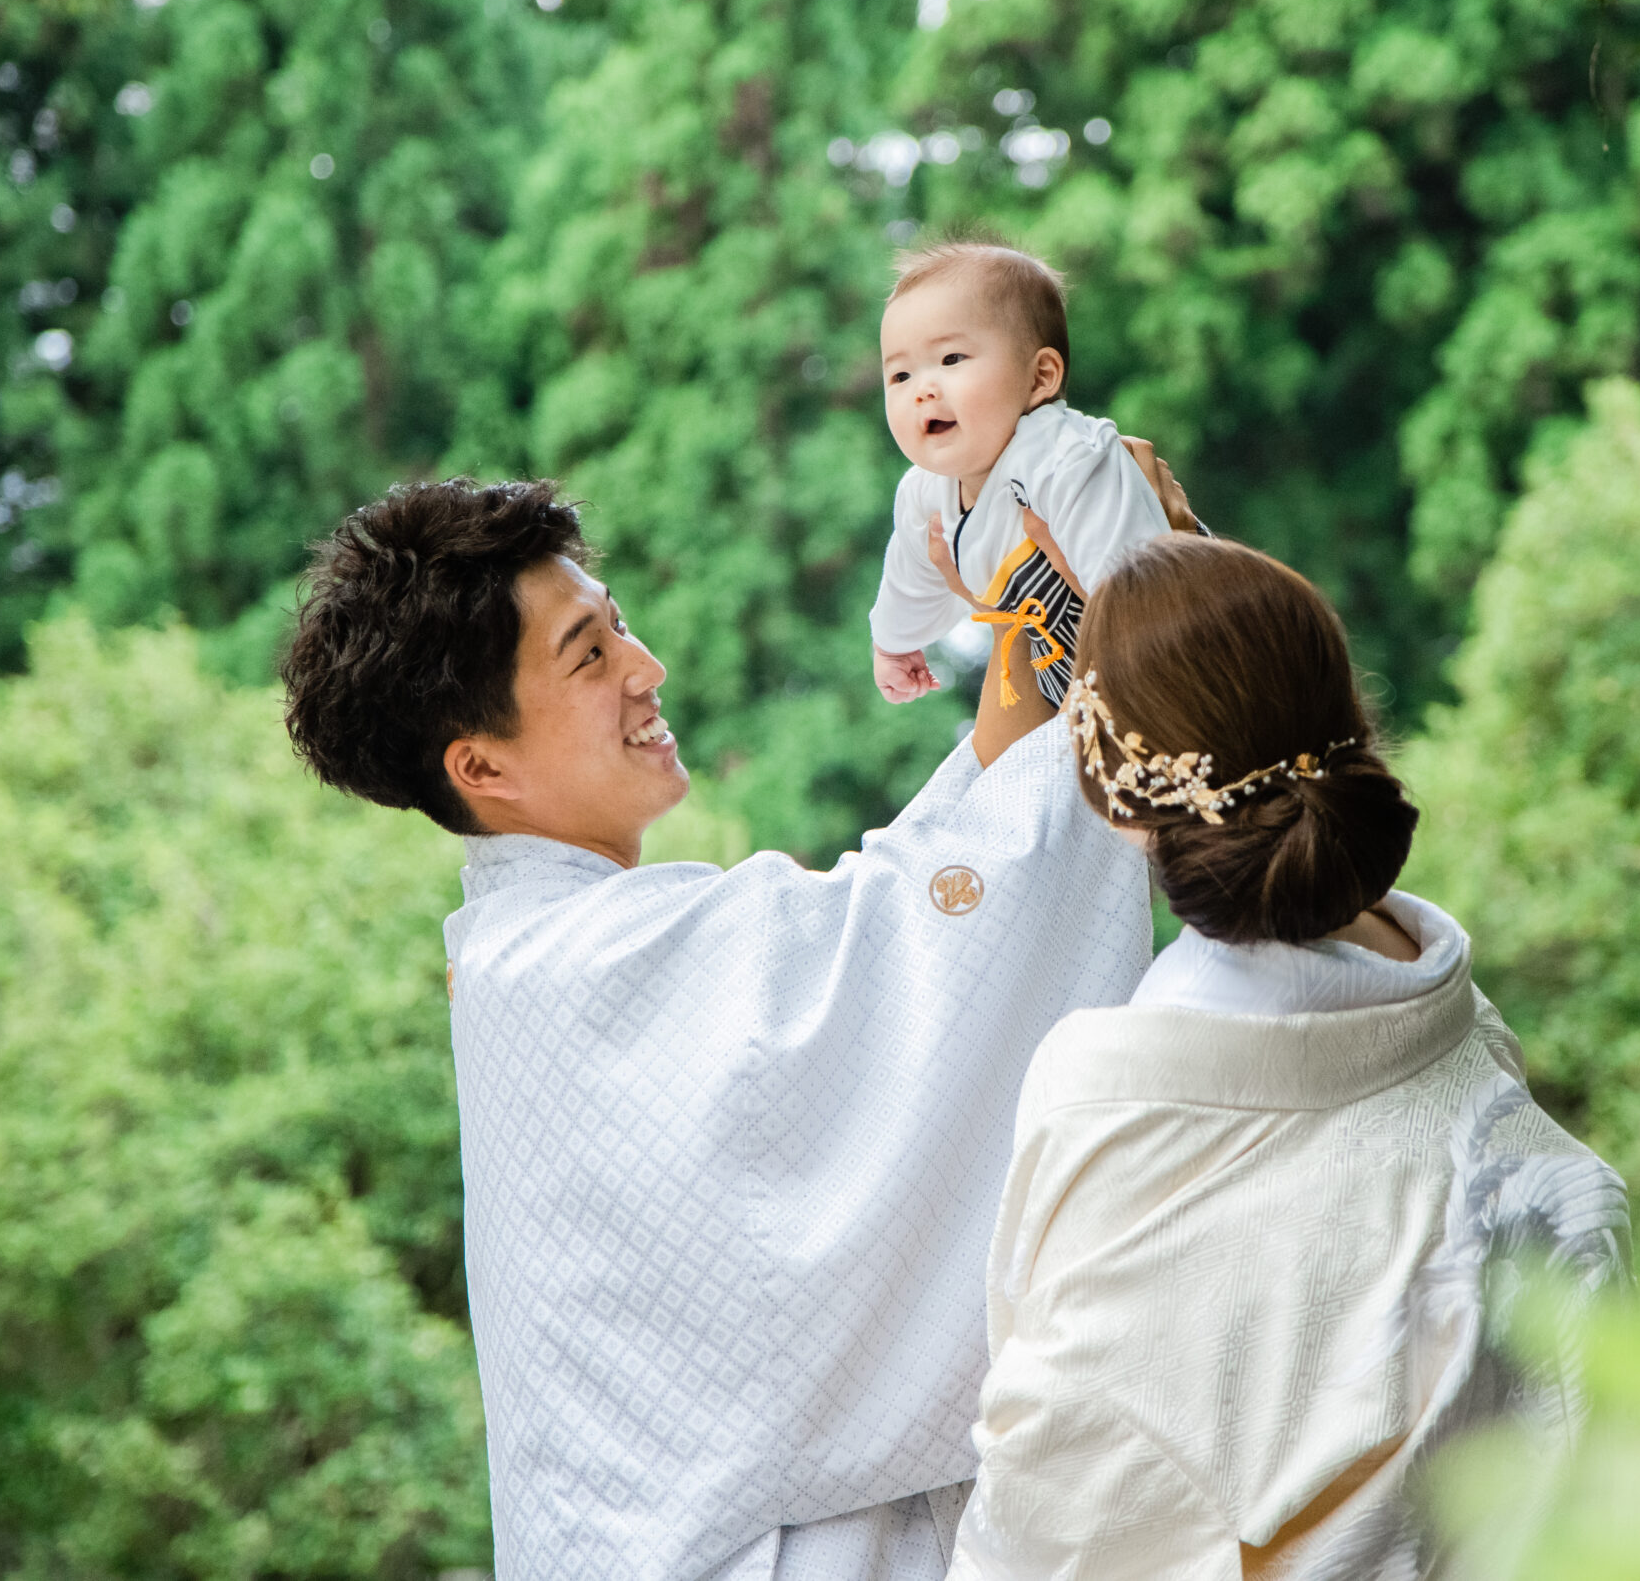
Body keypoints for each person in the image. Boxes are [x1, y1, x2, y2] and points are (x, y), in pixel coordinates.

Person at [278, 463, 1189, 1581]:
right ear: (483, 765)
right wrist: (1098, 618)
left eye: (619, 628)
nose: (645, 670)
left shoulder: (522, 954)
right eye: (589, 654)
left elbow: (918, 902)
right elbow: (923, 951)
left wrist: (1050, 630)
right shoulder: (583, 964)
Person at [948, 535, 1631, 1580]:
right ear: (1350, 720)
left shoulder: (1111, 1101)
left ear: (1109, 799)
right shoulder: (1483, 1068)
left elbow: (1053, 1513)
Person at [869, 239, 1169, 711]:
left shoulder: (1061, 456)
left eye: (951, 359)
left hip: (1175, 666)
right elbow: (909, 583)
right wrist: (892, 644)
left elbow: (1141, 589)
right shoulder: (924, 494)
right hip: (1079, 697)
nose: (922, 391)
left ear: (1039, 377)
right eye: (900, 376)